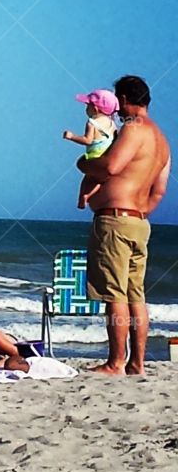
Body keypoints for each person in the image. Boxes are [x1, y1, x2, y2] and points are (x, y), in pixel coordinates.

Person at [76, 75, 170, 376]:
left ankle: (116, 362)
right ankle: (136, 362)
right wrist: (140, 212)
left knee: (115, 294)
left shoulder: (134, 128)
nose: (115, 111)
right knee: (135, 295)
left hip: (116, 220)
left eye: (118, 103)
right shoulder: (162, 140)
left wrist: (83, 163)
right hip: (139, 222)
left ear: (127, 100)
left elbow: (110, 167)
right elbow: (159, 190)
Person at [64, 88, 118, 209]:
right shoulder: (112, 124)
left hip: (93, 156)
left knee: (88, 177)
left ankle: (83, 195)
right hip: (104, 156)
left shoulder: (92, 122)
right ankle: (88, 196)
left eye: (87, 105)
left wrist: (72, 137)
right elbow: (115, 139)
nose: (86, 109)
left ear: (96, 108)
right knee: (100, 180)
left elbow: (87, 140)